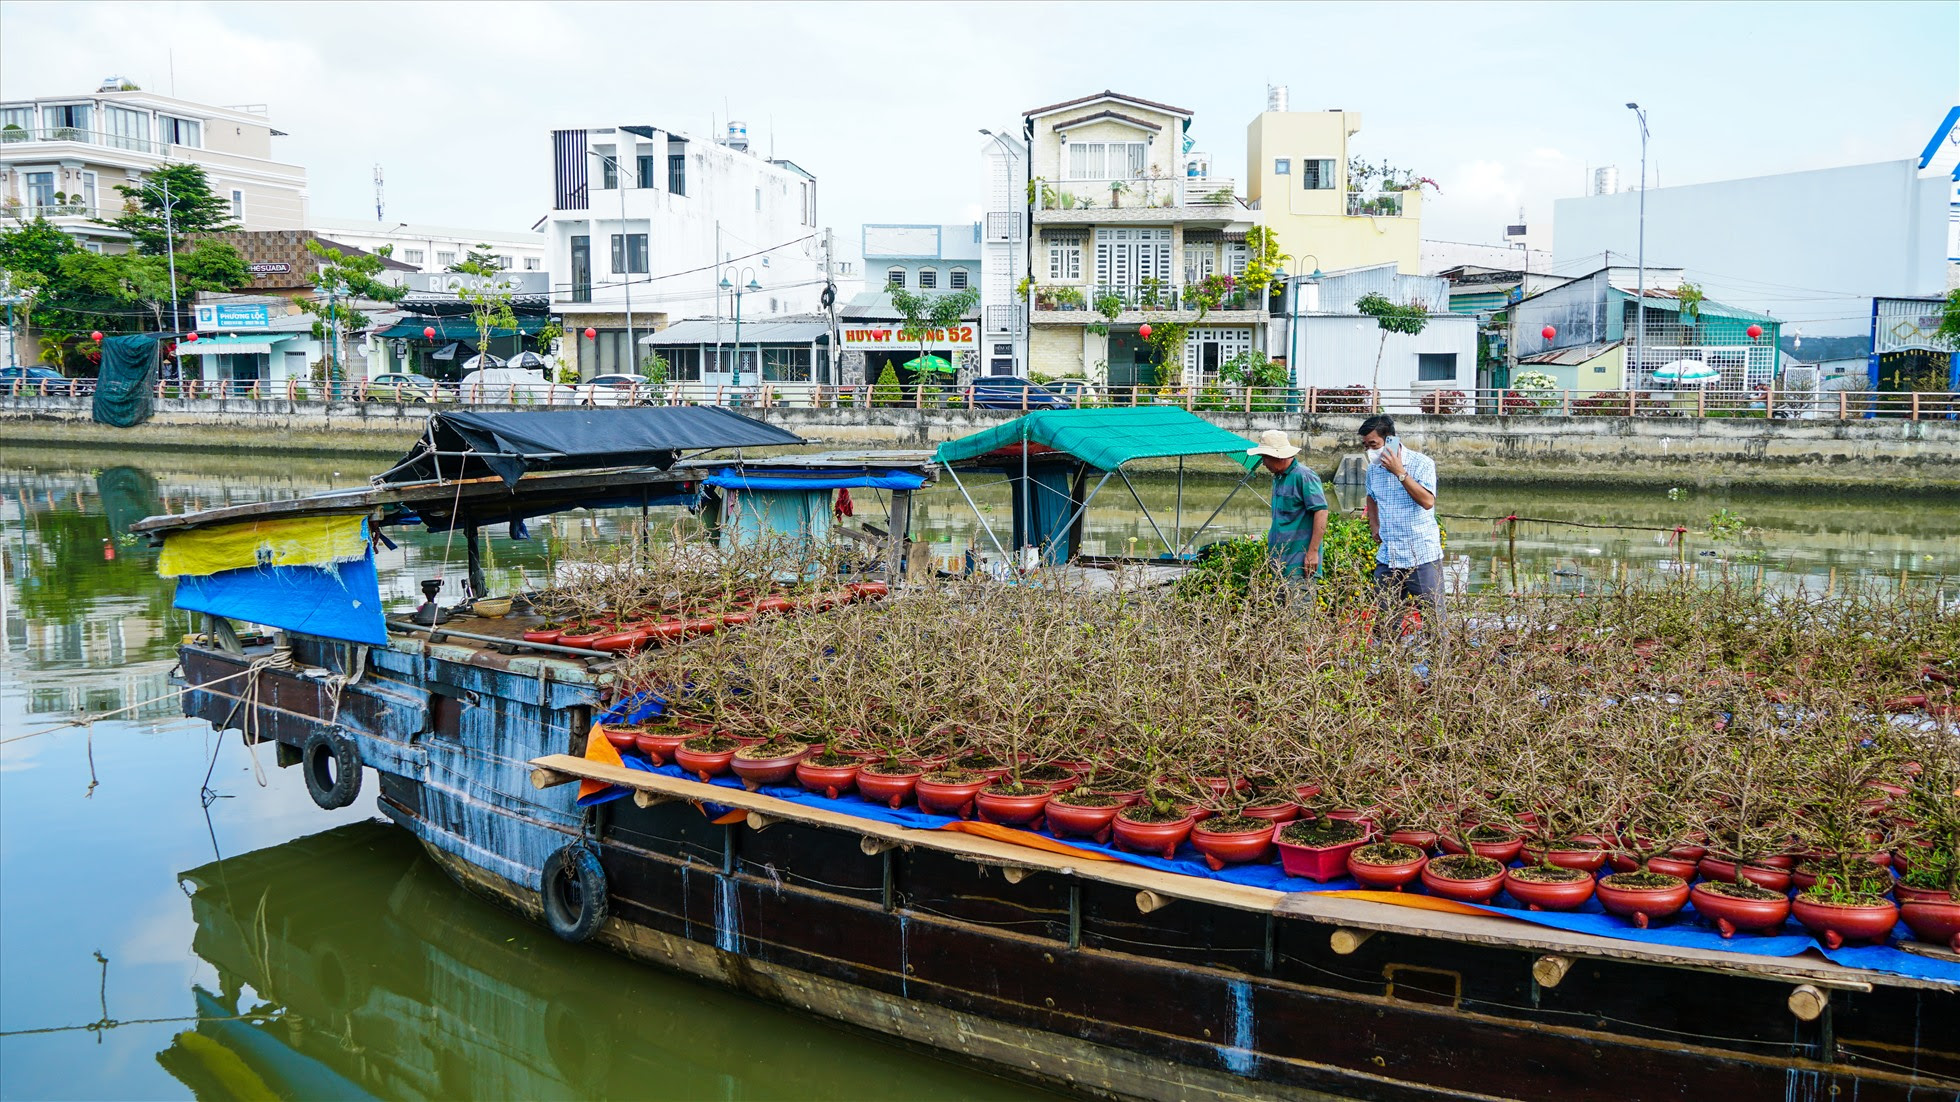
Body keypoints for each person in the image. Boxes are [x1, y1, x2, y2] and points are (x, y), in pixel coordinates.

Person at [1358, 414, 1443, 639]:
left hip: (1421, 555)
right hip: (1389, 556)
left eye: (1373, 445)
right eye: (1365, 446)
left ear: (1391, 441)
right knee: (1385, 621)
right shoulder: (1374, 470)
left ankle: (1439, 670)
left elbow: (1427, 501)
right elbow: (1371, 498)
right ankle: (1388, 667)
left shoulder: (1421, 463)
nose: (1369, 451)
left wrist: (1400, 472)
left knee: (1433, 619)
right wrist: (1374, 526)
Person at [1245, 430, 1327, 603]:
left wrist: (1312, 552)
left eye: (1265, 457)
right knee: (1282, 622)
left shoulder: (1304, 476)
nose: (1263, 463)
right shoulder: (1278, 478)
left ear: (1279, 456)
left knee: (1299, 621)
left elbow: (1321, 511)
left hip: (1299, 566)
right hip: (1280, 565)